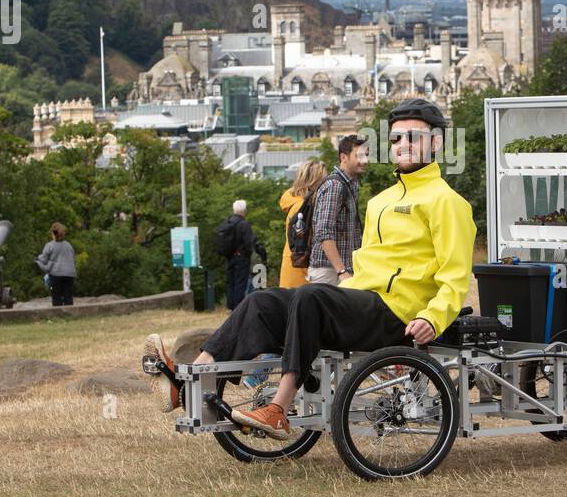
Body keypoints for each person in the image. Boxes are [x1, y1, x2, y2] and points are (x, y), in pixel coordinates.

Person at [147, 98, 476, 428]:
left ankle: (278, 409)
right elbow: (369, 262)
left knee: (311, 296)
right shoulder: (380, 201)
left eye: (413, 137)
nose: (402, 144)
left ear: (436, 142)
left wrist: (432, 318)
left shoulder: (448, 203)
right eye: (395, 138)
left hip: (400, 313)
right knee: (262, 301)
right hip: (362, 302)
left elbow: (455, 277)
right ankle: (190, 381)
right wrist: (348, 285)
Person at [306, 134, 368, 286]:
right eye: (359, 156)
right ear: (343, 157)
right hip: (329, 272)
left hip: (340, 270)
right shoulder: (335, 185)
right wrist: (342, 271)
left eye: (366, 155)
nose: (365, 160)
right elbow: (323, 231)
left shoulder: (350, 184)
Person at [278, 159, 328, 289]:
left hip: (292, 270)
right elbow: (304, 243)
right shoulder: (303, 207)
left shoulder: (296, 203)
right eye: (324, 179)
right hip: (302, 274)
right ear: (313, 181)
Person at [219, 200, 267, 310]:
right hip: (241, 258)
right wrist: (249, 253)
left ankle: (230, 307)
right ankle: (238, 308)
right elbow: (249, 242)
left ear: (233, 210)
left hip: (229, 257)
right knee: (240, 283)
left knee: (230, 282)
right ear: (244, 211)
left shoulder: (227, 222)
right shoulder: (244, 224)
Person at [36, 222, 77, 307]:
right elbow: (73, 257)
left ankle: (58, 316)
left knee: (56, 297)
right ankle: (70, 315)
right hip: (69, 274)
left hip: (56, 274)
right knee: (68, 296)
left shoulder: (50, 245)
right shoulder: (68, 245)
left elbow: (43, 260)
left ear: (52, 233)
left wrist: (37, 259)